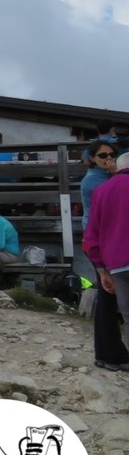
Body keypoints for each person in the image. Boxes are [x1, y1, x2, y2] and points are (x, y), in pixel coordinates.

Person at [80, 141, 129, 370]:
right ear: (92, 158)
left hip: (110, 251)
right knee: (108, 303)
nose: (107, 159)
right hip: (107, 247)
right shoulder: (93, 181)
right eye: (102, 155)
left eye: (111, 155)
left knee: (116, 305)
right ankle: (109, 354)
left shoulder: (103, 184)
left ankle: (110, 354)